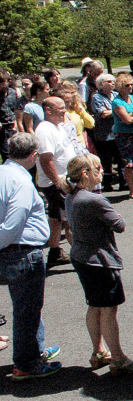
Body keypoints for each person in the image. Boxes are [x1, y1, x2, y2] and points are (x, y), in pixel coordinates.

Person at [63, 154, 133, 374]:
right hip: (99, 262)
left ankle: (98, 352)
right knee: (108, 310)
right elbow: (120, 224)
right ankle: (118, 359)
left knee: (94, 306)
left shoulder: (71, 196)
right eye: (97, 167)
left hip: (81, 258)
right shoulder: (94, 200)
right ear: (85, 173)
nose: (102, 170)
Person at [0, 133, 62, 381]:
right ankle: (27, 364)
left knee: (29, 307)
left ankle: (34, 351)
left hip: (13, 251)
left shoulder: (4, 173)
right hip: (21, 252)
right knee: (27, 310)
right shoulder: (22, 182)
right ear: (34, 155)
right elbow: (13, 224)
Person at [34, 96, 80, 265]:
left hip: (63, 180)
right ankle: (82, 257)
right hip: (57, 183)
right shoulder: (45, 130)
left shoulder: (58, 126)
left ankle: (54, 252)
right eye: (60, 107)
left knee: (56, 218)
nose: (64, 110)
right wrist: (58, 182)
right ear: (48, 110)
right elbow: (46, 160)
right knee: (70, 221)